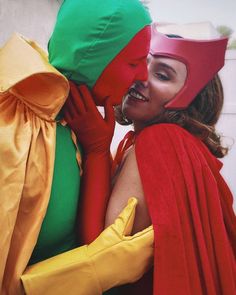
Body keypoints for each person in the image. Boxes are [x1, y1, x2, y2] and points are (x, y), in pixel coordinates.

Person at [65, 24, 236, 294]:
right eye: (142, 64)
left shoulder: (161, 141)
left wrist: (97, 149)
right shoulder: (137, 142)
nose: (141, 77)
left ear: (190, 99)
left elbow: (101, 257)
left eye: (163, 75)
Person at [0, 0, 154, 294]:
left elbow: (89, 240)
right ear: (93, 56)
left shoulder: (79, 126)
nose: (143, 76)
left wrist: (97, 149)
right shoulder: (14, 122)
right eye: (134, 62)